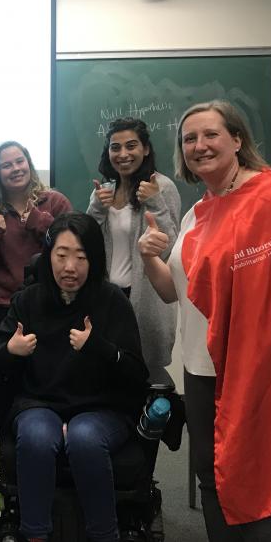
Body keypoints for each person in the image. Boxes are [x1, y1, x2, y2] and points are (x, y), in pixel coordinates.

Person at [138, 100, 271, 541]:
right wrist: (150, 257)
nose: (199, 146)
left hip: (250, 370)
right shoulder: (200, 209)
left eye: (211, 135)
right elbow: (175, 292)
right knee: (212, 474)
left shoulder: (270, 200)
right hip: (200, 365)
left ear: (238, 140)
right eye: (189, 139)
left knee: (257, 478)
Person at [0, 212, 149, 542]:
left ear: (95, 259)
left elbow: (137, 374)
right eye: (61, 255)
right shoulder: (28, 301)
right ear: (47, 256)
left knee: (84, 438)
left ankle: (104, 534)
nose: (70, 267)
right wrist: (12, 349)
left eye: (81, 257)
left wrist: (100, 348)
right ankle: (35, 535)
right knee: (36, 435)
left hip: (104, 408)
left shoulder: (112, 301)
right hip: (40, 403)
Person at [85, 117, 181, 375]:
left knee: (144, 373)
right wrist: (96, 207)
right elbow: (85, 243)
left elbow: (168, 248)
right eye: (115, 147)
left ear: (146, 149)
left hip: (145, 299)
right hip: (108, 297)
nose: (123, 154)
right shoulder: (104, 189)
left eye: (131, 146)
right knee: (106, 370)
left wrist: (155, 203)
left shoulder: (161, 187)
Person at [0, 140, 72, 349]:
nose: (16, 169)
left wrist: (39, 221)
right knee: (6, 376)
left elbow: (72, 250)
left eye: (19, 161)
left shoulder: (55, 202)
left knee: (49, 375)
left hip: (49, 304)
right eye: (7, 166)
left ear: (29, 164)